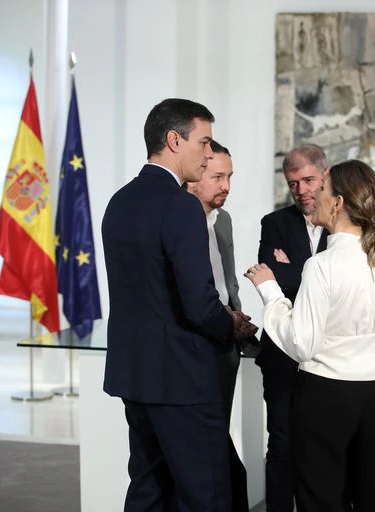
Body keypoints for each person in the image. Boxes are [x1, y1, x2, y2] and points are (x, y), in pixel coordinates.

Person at [101, 98, 254, 511]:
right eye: (203, 143)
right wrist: (232, 326)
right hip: (183, 379)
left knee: (149, 489)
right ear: (173, 140)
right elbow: (200, 305)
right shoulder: (180, 205)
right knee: (204, 495)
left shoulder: (119, 202)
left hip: (135, 375)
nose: (208, 155)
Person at [246, 159, 375, 511]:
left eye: (321, 188)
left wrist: (272, 294)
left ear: (337, 203)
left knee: (321, 499)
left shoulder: (322, 265)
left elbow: (302, 344)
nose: (313, 195)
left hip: (326, 396)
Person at [255, 144, 329, 512]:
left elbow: (342, 291)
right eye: (293, 182)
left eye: (309, 180)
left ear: (325, 176)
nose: (301, 190)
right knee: (281, 445)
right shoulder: (274, 224)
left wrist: (289, 270)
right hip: (282, 357)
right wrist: (293, 277)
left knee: (326, 448)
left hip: (330, 359)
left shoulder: (350, 223)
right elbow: (271, 285)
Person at [186, 139, 259, 512]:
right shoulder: (178, 219)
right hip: (194, 345)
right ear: (196, 175)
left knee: (217, 433)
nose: (226, 185)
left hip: (226, 344)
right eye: (217, 176)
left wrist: (236, 315)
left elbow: (225, 279)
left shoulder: (224, 219)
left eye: (229, 177)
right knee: (206, 441)